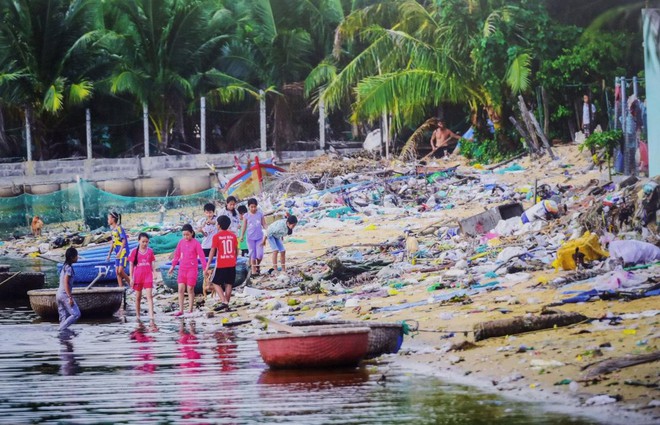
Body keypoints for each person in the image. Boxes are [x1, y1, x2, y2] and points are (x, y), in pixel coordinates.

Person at [168, 224, 207, 317]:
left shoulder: (196, 243)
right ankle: (181, 310)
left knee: (190, 289)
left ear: (192, 233)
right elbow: (177, 255)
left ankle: (190, 309)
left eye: (187, 234)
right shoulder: (181, 242)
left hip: (192, 269)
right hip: (182, 269)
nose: (186, 236)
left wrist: (205, 268)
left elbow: (201, 256)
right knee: (181, 288)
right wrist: (172, 266)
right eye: (184, 235)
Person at [205, 216, 238, 310]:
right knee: (229, 283)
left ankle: (224, 300)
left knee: (214, 282)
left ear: (218, 225)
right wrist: (234, 259)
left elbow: (212, 251)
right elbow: (236, 250)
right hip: (231, 263)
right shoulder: (233, 236)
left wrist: (208, 265)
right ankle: (227, 305)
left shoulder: (216, 237)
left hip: (221, 263)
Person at [128, 232, 158, 321]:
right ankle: (138, 316)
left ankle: (151, 316)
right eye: (143, 242)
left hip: (148, 276)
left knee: (149, 296)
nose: (145, 244)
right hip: (138, 276)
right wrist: (131, 278)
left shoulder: (150, 251)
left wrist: (155, 272)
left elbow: (152, 262)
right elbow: (131, 265)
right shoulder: (134, 252)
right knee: (138, 297)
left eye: (146, 242)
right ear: (139, 241)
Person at [239, 198, 266, 277]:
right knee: (253, 255)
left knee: (260, 255)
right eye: (252, 207)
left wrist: (267, 230)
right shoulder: (246, 216)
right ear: (248, 207)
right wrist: (242, 236)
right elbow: (244, 226)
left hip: (259, 238)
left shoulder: (260, 214)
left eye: (255, 207)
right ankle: (254, 272)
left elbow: (264, 224)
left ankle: (258, 265)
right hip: (250, 238)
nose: (253, 208)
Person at [57, 247, 81, 332]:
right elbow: (65, 282)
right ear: (72, 257)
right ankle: (60, 330)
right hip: (64, 294)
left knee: (64, 318)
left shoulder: (64, 266)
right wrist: (70, 297)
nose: (78, 257)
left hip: (59, 294)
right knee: (76, 314)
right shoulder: (69, 268)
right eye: (76, 255)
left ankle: (63, 339)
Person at [106, 211, 131, 288]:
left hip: (123, 252)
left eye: (108, 219)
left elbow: (124, 240)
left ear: (113, 219)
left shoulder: (119, 228)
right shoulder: (112, 231)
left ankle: (131, 284)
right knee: (117, 272)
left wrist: (120, 251)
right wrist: (109, 254)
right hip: (117, 253)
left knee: (120, 271)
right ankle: (120, 288)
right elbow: (113, 243)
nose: (108, 220)